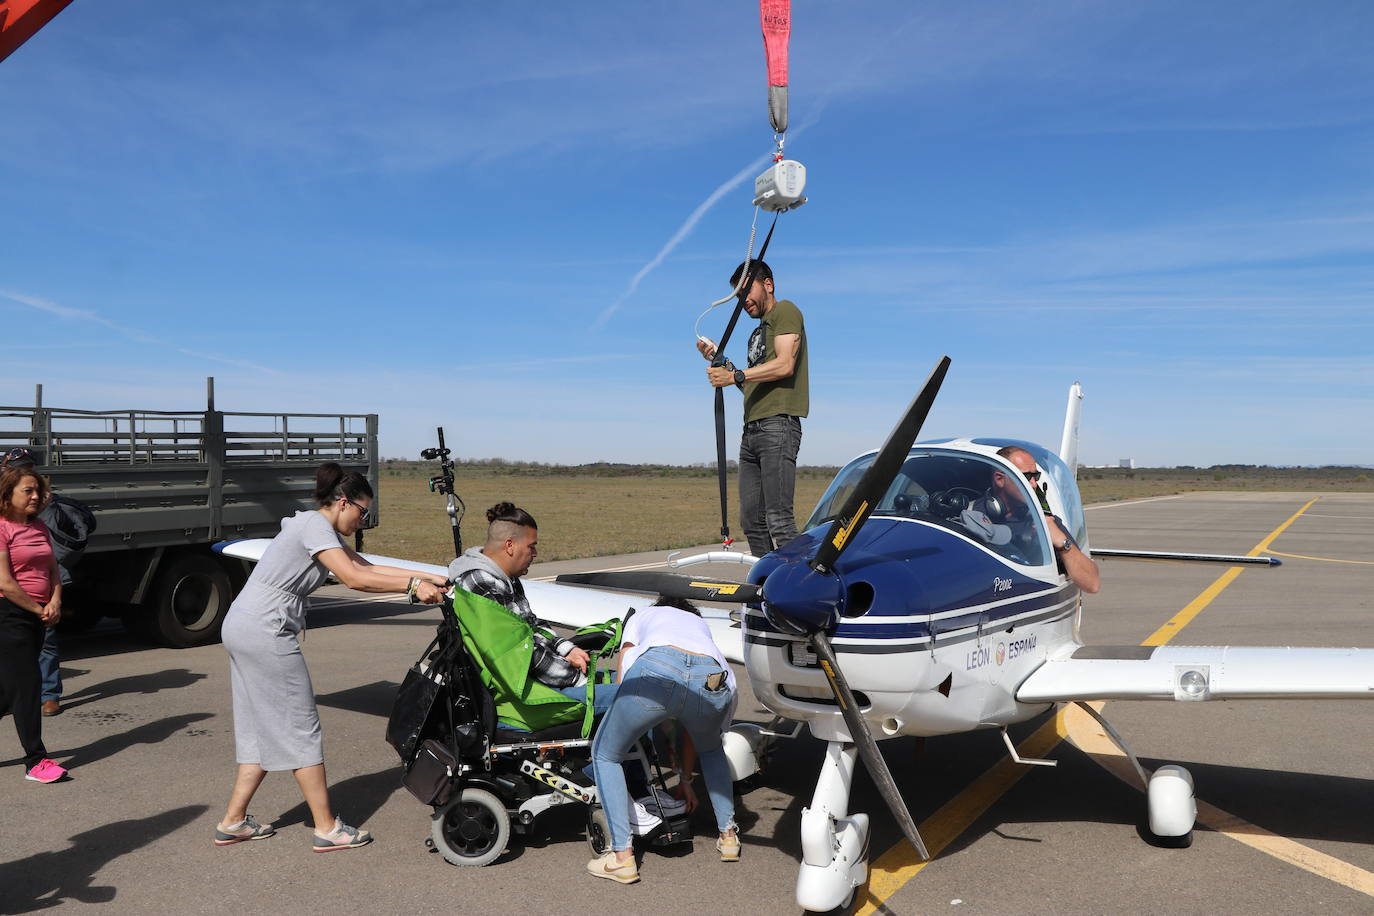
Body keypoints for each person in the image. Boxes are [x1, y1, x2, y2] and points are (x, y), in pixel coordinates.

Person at [215, 462, 448, 851]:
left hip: (244, 625)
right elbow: (355, 579)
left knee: (259, 728)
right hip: (266, 632)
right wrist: (413, 586)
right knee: (301, 726)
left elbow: (362, 566)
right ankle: (327, 828)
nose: (364, 521)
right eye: (363, 512)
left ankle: (233, 821)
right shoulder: (314, 527)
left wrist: (429, 577)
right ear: (343, 502)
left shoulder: (310, 525)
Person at [586, 596, 740, 885]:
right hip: (714, 677)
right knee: (712, 749)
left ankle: (622, 858)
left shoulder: (642, 617)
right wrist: (685, 780)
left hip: (657, 667)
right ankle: (728, 836)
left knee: (606, 755)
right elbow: (694, 731)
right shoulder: (698, 626)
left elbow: (626, 675)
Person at [448, 502, 616, 717]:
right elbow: (522, 655)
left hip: (534, 680)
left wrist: (567, 649)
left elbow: (530, 624)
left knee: (621, 681)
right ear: (510, 545)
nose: (535, 553)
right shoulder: (482, 583)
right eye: (531, 546)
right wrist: (580, 680)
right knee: (635, 697)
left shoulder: (502, 577)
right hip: (521, 695)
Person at [698, 258, 809, 558]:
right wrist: (722, 362)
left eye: (746, 291)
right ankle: (767, 587)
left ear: (768, 284)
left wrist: (734, 375)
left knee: (779, 522)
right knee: (752, 522)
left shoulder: (785, 311)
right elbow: (750, 384)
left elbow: (785, 365)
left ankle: (802, 591)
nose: (742, 301)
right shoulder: (757, 334)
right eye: (737, 296)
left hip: (777, 427)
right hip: (751, 432)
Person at [1, 447, 96, 718]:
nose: (23, 472)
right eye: (16, 467)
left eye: (28, 467)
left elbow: (52, 553)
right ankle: (15, 697)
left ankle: (49, 695)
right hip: (8, 586)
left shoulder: (40, 501)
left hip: (38, 583)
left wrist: (54, 598)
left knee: (45, 643)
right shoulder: (6, 500)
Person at [0, 466, 68, 783]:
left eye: (37, 490)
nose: (35, 495)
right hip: (10, 615)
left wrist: (55, 600)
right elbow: (6, 583)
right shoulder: (1, 528)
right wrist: (38, 609)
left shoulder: (38, 525)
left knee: (8, 692)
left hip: (38, 614)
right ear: (7, 494)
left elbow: (53, 569)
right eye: (27, 490)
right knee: (28, 685)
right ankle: (36, 761)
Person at [964, 446, 1100, 594]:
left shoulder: (1043, 521)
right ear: (999, 479)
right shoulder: (970, 515)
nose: (1034, 484)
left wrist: (1061, 541)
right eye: (1026, 477)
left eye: (1036, 477)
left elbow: (1092, 584)